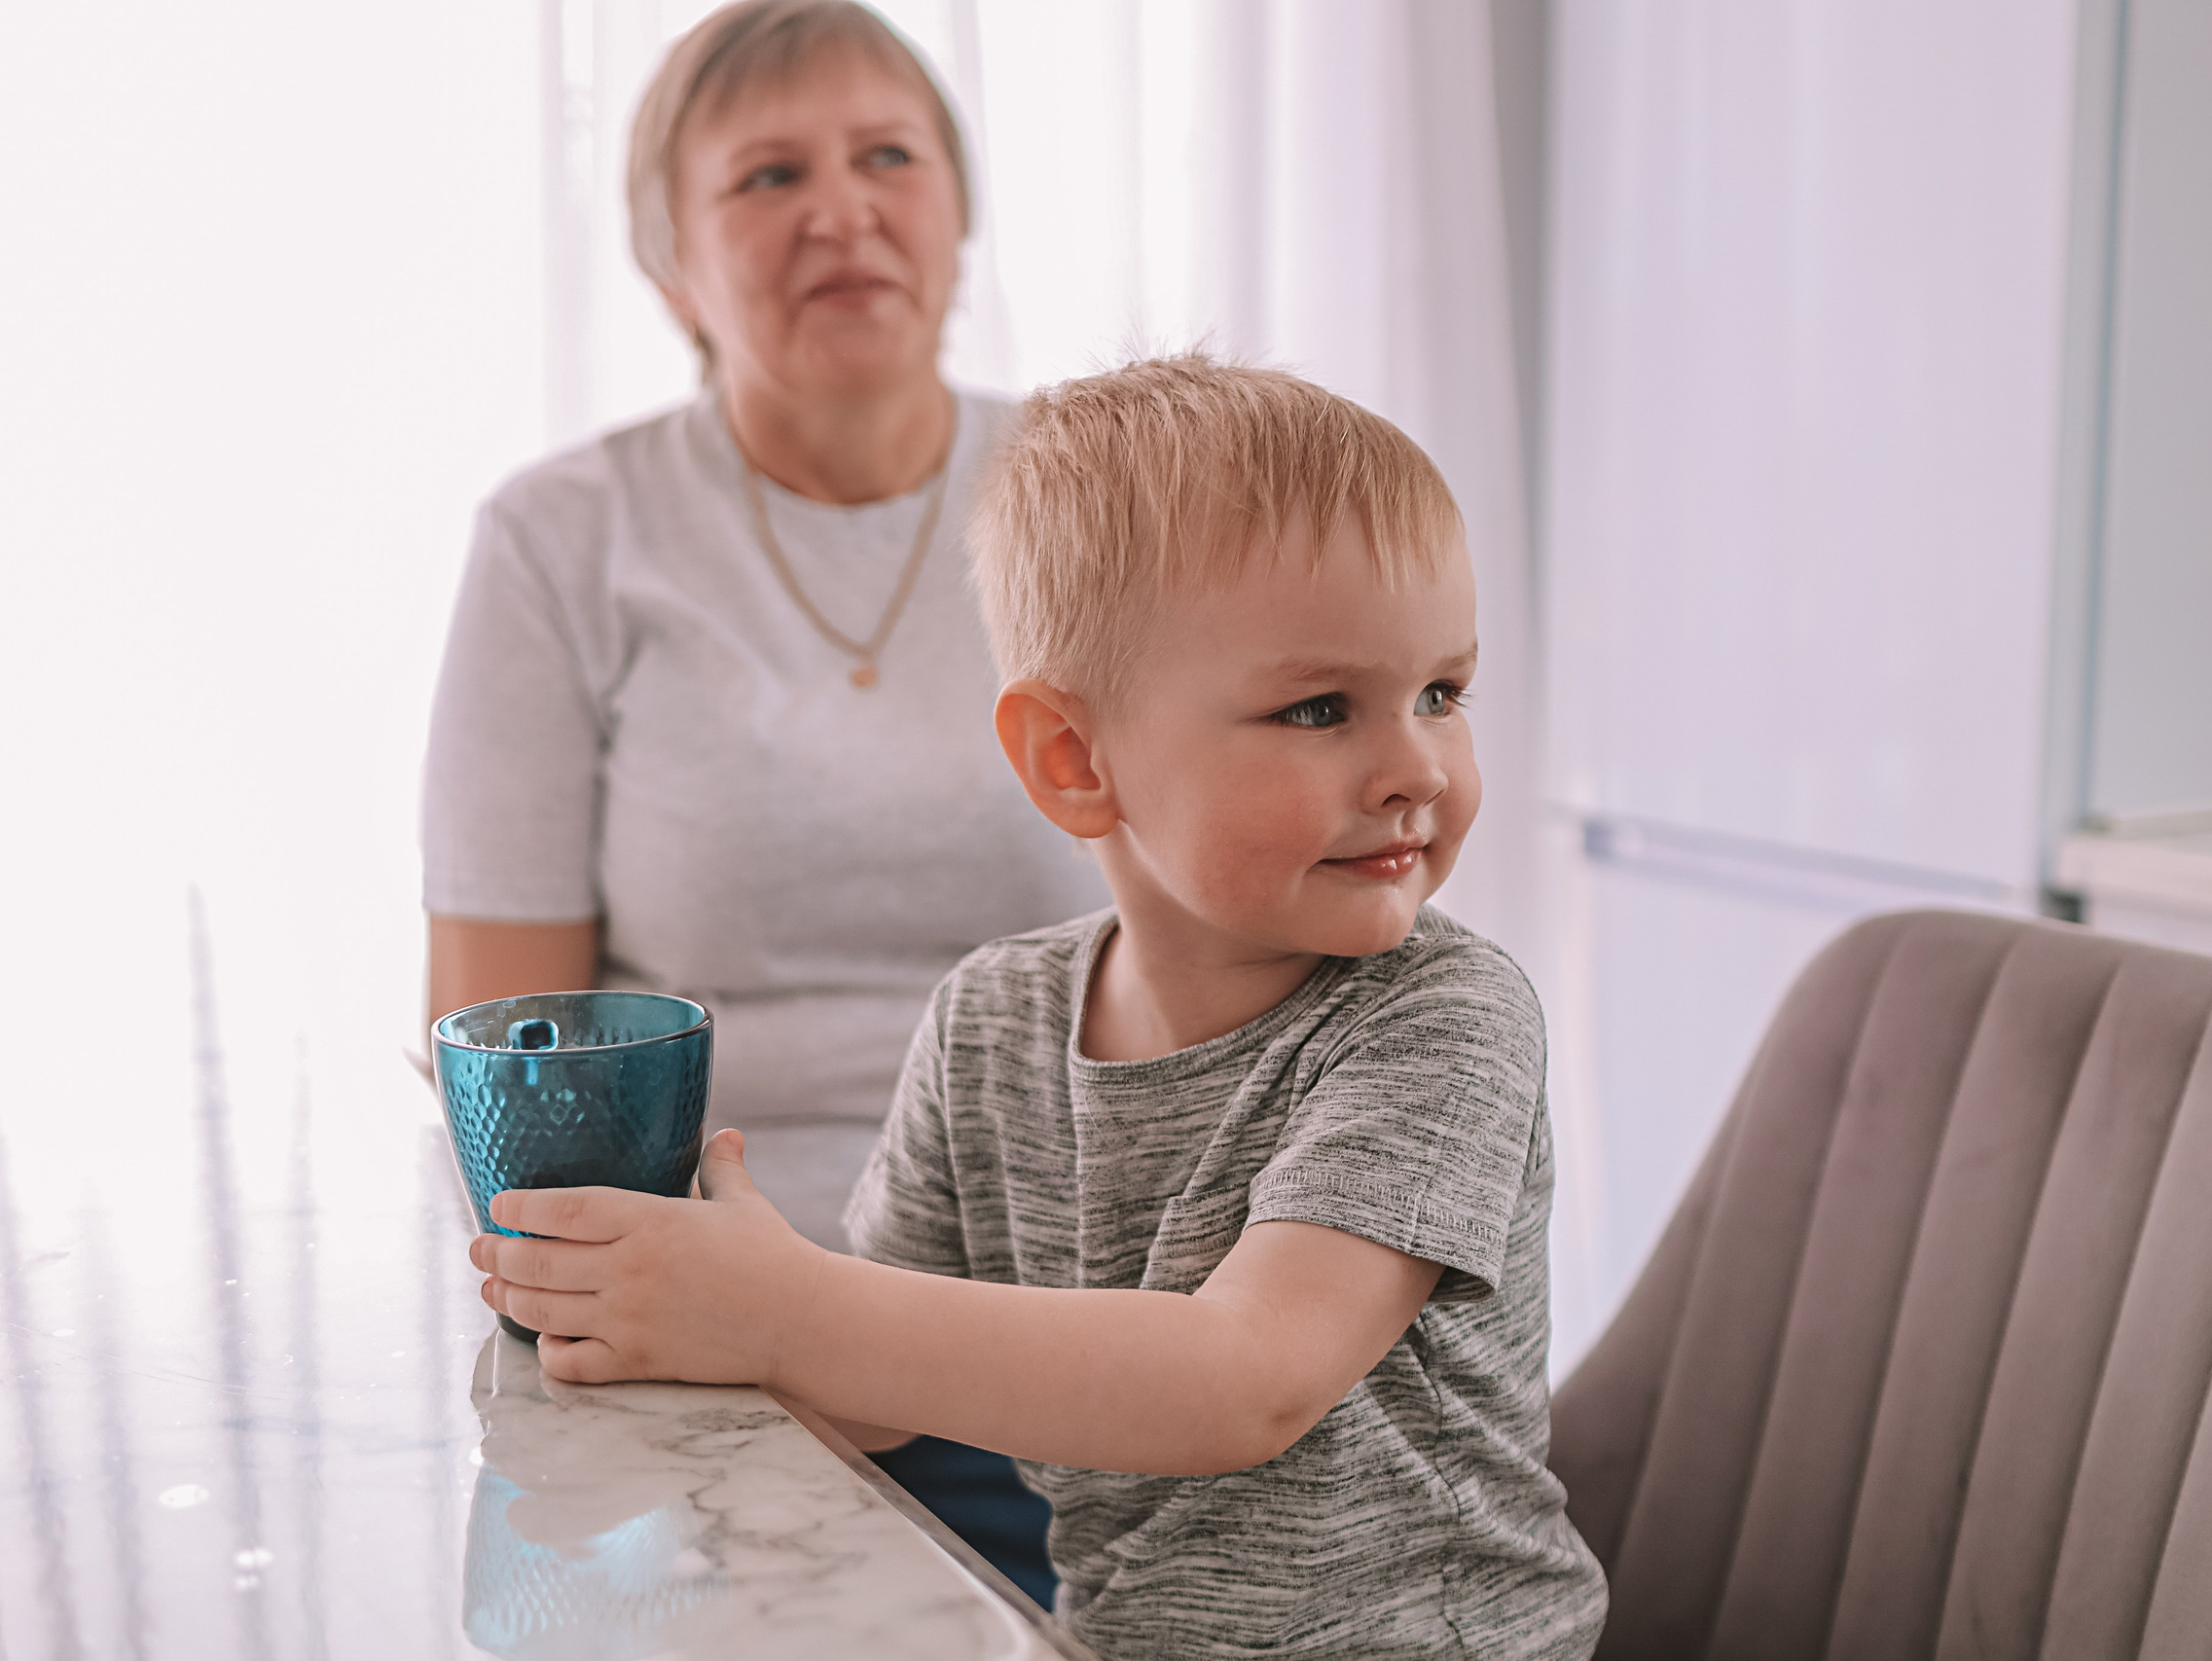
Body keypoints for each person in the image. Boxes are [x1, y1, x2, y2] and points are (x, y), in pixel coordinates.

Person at [465, 355, 1611, 1658]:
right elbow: (882, 1406)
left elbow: (1247, 1382)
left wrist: (783, 1309)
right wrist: (688, 1305)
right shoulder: (993, 1022)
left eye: (1441, 694)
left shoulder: (1443, 1020)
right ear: (1075, 761)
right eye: (1320, 709)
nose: (1417, 767)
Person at [418, 0, 1104, 1605]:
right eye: (767, 175)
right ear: (672, 269)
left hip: (1083, 1309)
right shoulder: (561, 540)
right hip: (719, 1340)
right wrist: (728, 1325)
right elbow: (503, 1051)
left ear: (956, 210)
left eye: (888, 156)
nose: (842, 209)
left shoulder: (1101, 502)